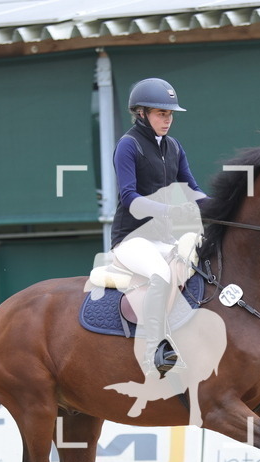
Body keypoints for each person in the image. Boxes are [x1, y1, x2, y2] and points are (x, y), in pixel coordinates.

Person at [110, 77, 207, 376]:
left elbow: (191, 189)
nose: (168, 120)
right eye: (161, 114)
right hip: (131, 240)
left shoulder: (174, 147)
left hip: (162, 240)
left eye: (170, 114)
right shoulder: (128, 146)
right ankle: (153, 347)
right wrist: (170, 210)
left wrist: (224, 207)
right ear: (141, 113)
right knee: (161, 274)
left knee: (199, 268)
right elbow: (129, 198)